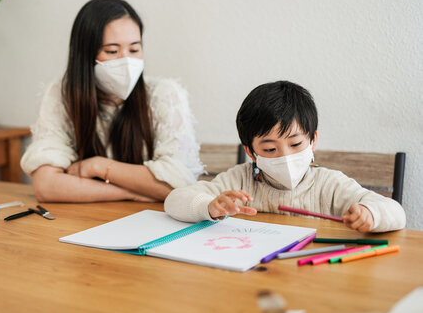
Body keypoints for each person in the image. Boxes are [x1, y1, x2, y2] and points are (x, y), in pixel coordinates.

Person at [21, 0, 203, 202]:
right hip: (85, 221)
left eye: (134, 49)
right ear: (85, 55)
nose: (126, 61)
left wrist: (98, 166)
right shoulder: (60, 94)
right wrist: (133, 193)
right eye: (112, 51)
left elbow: (179, 183)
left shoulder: (165, 94)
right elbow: (46, 186)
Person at [164, 81, 406, 233]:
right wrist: (209, 205)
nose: (285, 157)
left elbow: (396, 212)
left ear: (313, 140)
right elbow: (175, 200)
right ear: (250, 151)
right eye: (270, 150)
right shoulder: (240, 181)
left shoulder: (329, 184)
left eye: (296, 144)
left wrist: (370, 214)